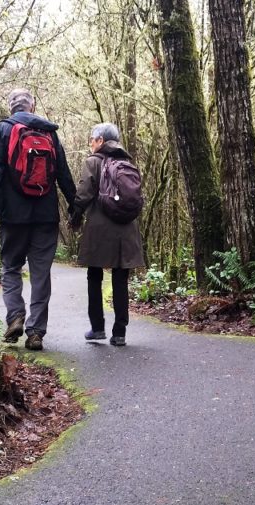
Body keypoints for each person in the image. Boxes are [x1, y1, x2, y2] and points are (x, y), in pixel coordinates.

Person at [0, 89, 76, 351]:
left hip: (12, 216)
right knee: (40, 274)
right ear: (32, 107)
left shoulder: (2, 131)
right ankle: (35, 332)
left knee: (11, 267)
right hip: (45, 216)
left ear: (11, 107)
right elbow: (63, 174)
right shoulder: (49, 133)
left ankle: (15, 317)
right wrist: (74, 208)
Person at [69, 123, 145, 346]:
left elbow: (84, 193)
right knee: (121, 279)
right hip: (127, 229)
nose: (90, 143)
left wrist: (75, 214)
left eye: (92, 139)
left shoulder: (94, 162)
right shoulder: (127, 163)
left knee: (95, 275)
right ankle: (119, 332)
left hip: (100, 228)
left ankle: (97, 328)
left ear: (100, 140)